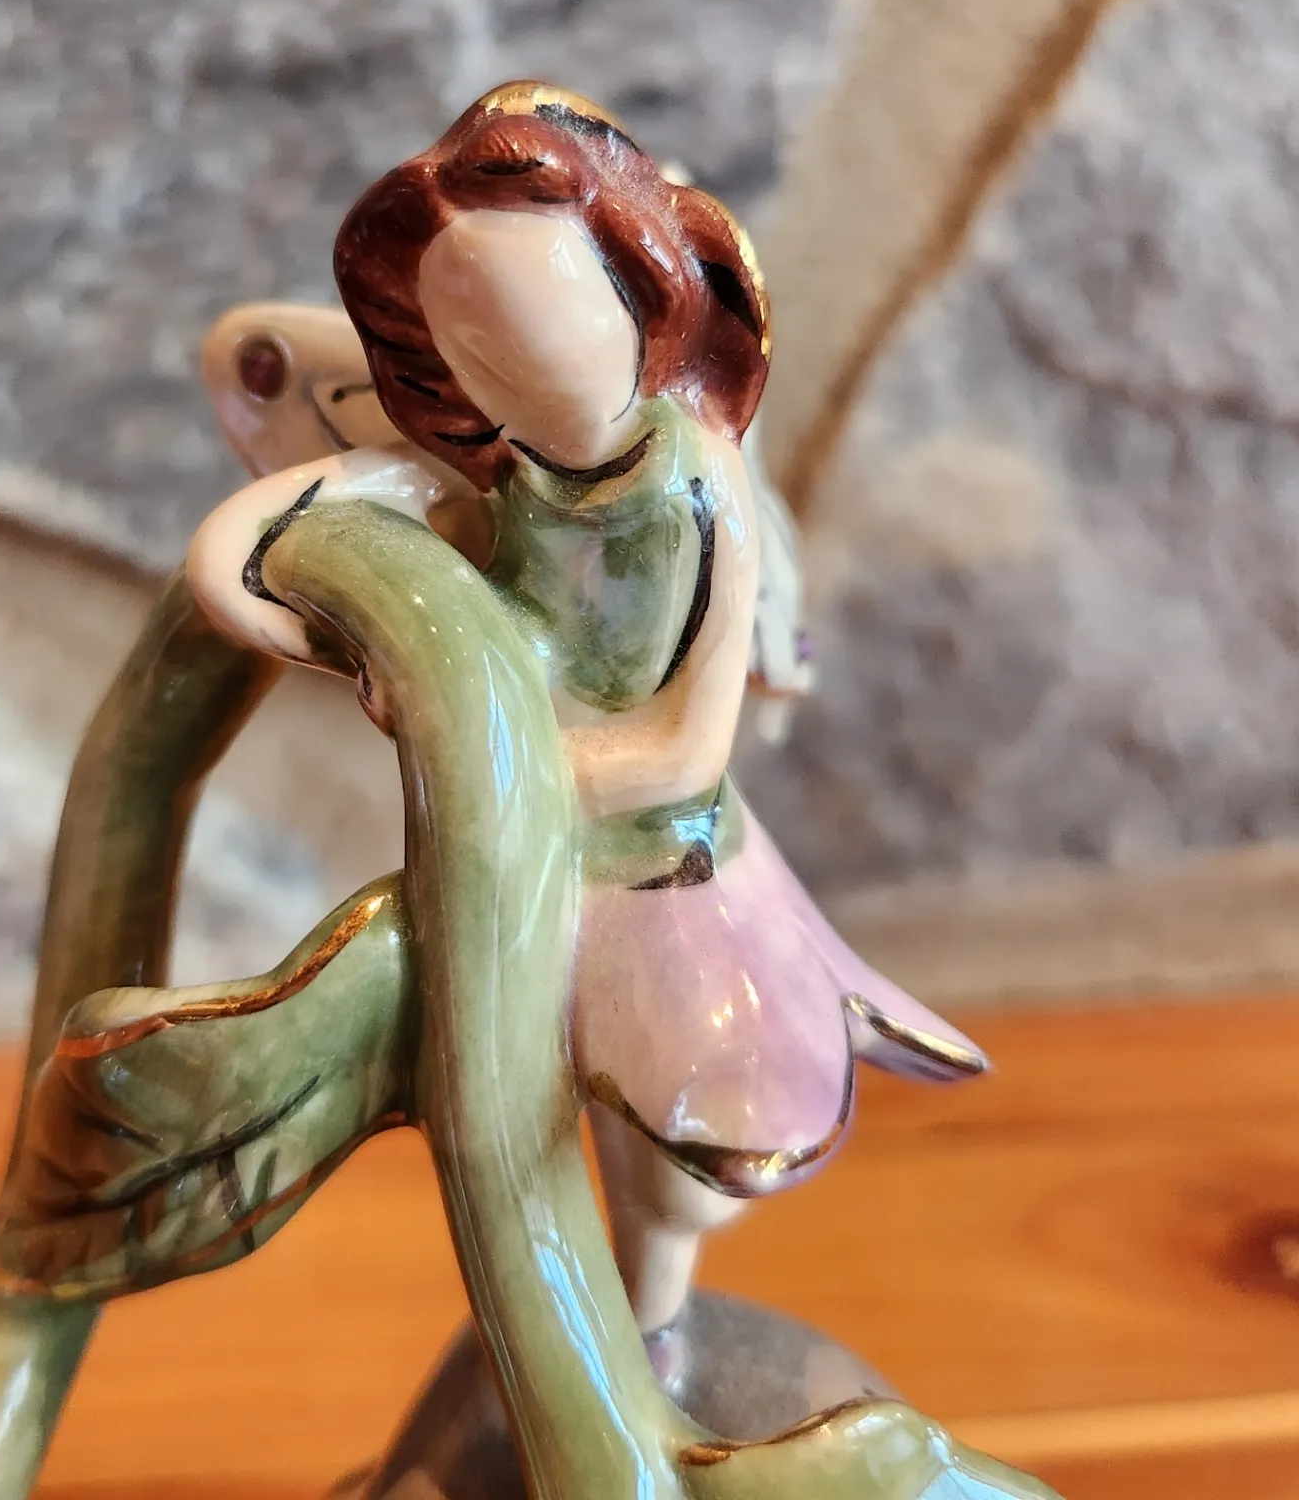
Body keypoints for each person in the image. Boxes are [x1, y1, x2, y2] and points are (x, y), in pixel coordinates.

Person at [186, 81, 985, 1340]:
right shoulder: (500, 482)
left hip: (666, 871)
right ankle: (575, 1350)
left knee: (675, 1156)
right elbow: (387, 567)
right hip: (523, 872)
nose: (535, 377)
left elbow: (686, 750)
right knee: (510, 1129)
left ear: (646, 301)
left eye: (562, 326)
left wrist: (499, 759)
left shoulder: (698, 486)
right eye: (484, 356)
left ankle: (644, 1346)